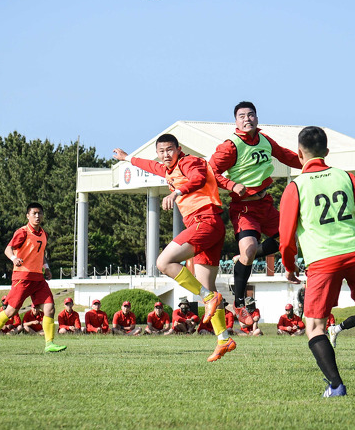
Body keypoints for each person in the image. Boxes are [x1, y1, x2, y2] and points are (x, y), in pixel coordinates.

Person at [279, 126, 355, 397]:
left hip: (322, 259)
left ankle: (336, 385)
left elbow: (286, 238)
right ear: (327, 152)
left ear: (299, 154)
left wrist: (289, 265)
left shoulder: (295, 187)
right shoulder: (346, 177)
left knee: (314, 326)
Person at [113, 134, 233, 361]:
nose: (165, 155)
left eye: (170, 150)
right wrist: (127, 158)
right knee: (208, 287)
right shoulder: (168, 169)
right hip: (210, 227)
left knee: (163, 262)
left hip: (205, 221)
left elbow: (197, 179)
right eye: (161, 151)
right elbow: (150, 166)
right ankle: (224, 339)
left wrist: (176, 192)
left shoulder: (189, 162)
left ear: (178, 149)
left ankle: (208, 298)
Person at [209, 101, 302, 325]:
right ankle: (239, 303)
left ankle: (241, 259)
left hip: (266, 204)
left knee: (290, 240)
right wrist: (231, 185)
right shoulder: (230, 146)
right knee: (249, 250)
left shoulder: (265, 140)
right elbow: (210, 171)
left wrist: (311, 163)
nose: (247, 119)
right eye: (242, 116)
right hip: (244, 208)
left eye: (251, 115)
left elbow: (286, 156)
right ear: (236, 122)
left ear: (257, 119)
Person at [0, 202, 66, 354]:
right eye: (34, 213)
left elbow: (41, 254)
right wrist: (14, 258)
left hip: (38, 278)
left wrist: (46, 268)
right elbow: (7, 249)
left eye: (39, 213)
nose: (37, 216)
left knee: (49, 307)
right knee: (11, 312)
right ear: (27, 215)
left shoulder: (43, 234)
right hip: (22, 277)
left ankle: (49, 343)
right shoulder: (22, 232)